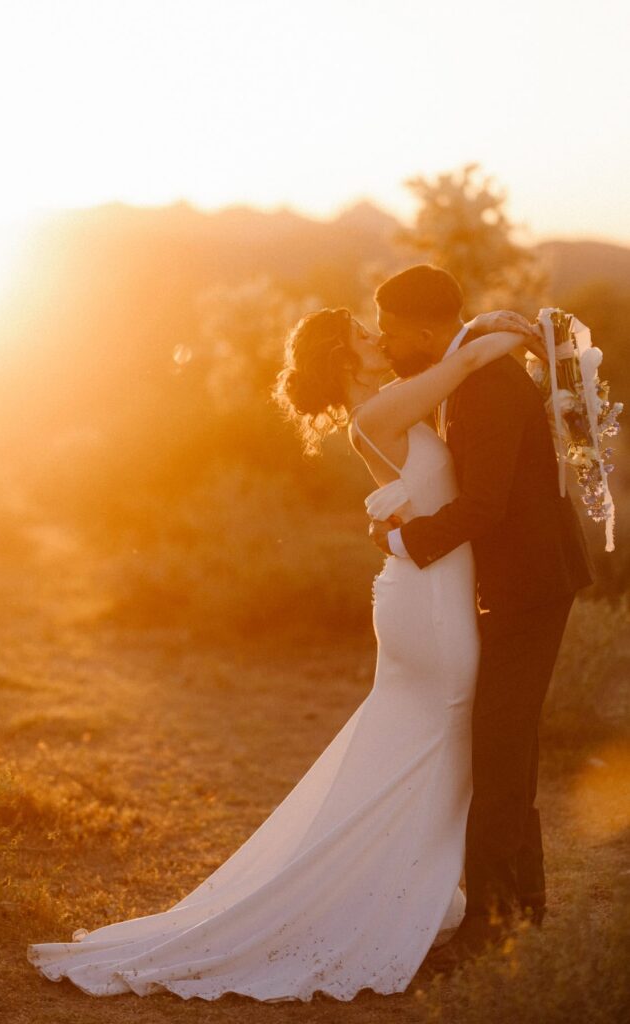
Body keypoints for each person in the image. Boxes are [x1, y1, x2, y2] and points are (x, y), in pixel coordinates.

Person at [27, 305, 535, 1000]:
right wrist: (519, 328)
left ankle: (393, 895)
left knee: (414, 755)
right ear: (344, 358)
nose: (380, 340)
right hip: (430, 607)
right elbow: (470, 361)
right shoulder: (380, 412)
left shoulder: (384, 412)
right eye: (364, 336)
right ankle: (391, 903)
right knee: (442, 749)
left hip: (423, 592)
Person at [369, 265, 594, 968]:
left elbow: (485, 506)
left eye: (390, 329)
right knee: (505, 741)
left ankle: (492, 926)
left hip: (528, 585)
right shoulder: (467, 374)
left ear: (428, 331)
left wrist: (402, 541)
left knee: (497, 746)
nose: (382, 340)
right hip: (519, 580)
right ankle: (519, 908)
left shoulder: (485, 388)